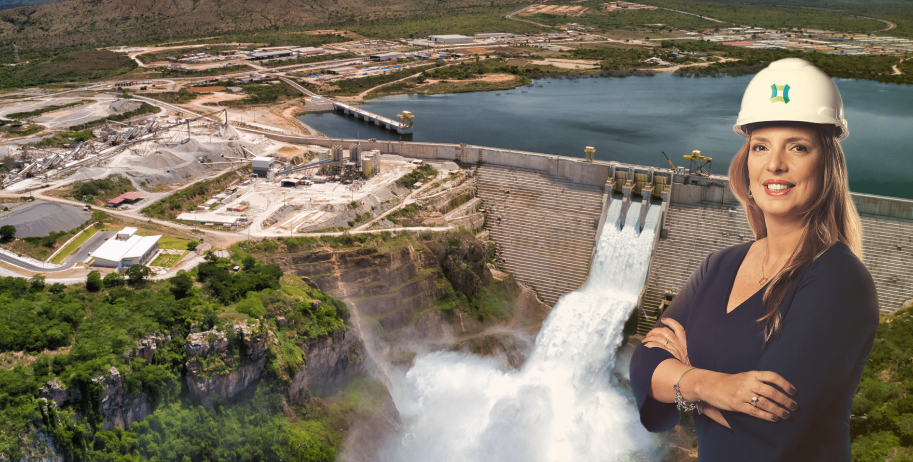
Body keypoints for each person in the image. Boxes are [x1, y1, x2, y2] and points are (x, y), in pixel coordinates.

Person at [628, 57, 879, 462]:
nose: (774, 164)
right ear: (746, 164)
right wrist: (712, 386)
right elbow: (643, 365)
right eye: (761, 146)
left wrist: (682, 381)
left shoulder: (839, 283)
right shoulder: (718, 267)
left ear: (828, 165)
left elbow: (768, 424)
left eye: (797, 147)